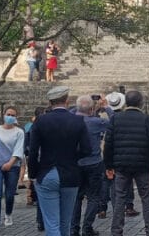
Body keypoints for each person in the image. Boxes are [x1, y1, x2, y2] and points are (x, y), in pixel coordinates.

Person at [28, 85, 93, 236]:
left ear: (50, 102)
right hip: (70, 173)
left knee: (52, 223)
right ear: (67, 100)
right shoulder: (78, 121)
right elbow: (87, 150)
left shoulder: (40, 121)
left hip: (46, 172)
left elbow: (32, 151)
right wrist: (72, 157)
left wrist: (33, 173)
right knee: (65, 223)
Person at [104, 89, 149, 236]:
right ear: (141, 103)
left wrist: (108, 165)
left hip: (121, 164)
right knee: (146, 197)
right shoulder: (147, 119)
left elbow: (108, 143)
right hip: (142, 164)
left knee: (120, 197)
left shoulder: (115, 119)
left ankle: (116, 230)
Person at [70, 96, 109, 236]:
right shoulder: (97, 121)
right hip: (94, 163)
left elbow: (71, 111)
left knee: (76, 197)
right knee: (93, 197)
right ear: (92, 109)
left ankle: (74, 229)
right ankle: (87, 227)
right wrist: (106, 107)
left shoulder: (72, 119)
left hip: (76, 163)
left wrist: (80, 107)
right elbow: (114, 122)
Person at [0, 106, 26, 234]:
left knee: (9, 194)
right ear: (3, 115)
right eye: (8, 114)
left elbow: (19, 150)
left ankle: (8, 213)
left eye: (13, 115)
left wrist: (10, 163)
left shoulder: (19, 132)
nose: (10, 117)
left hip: (12, 166)